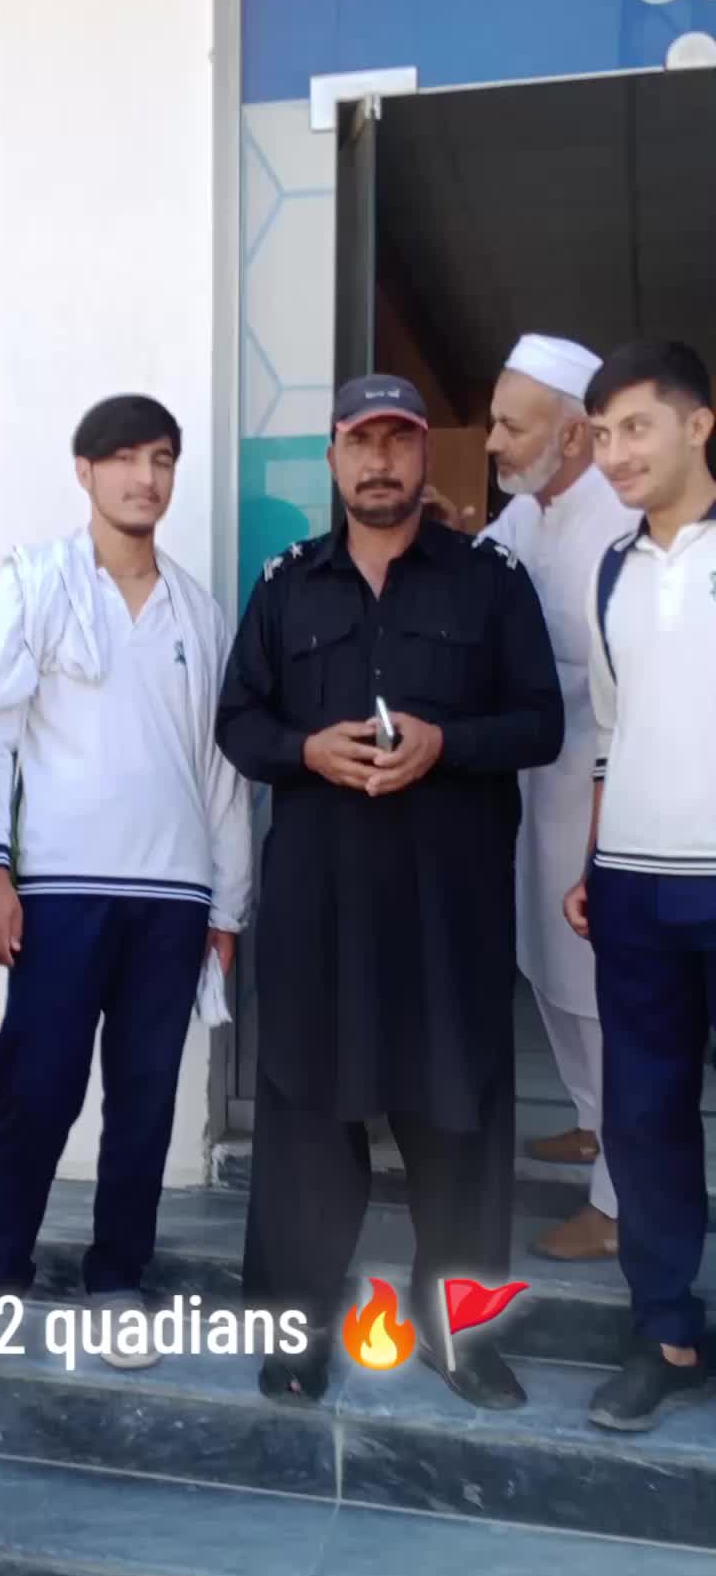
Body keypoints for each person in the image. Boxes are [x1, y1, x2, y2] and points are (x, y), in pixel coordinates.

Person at [217, 374, 564, 1411]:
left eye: (398, 441)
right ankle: (294, 1333)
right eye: (360, 442)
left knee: (462, 1128)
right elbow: (239, 722)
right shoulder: (287, 588)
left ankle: (462, 1339)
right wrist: (305, 750)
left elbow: (540, 723)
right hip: (321, 910)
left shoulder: (490, 581)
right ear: (333, 458)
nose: (379, 461)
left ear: (424, 456)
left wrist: (445, 743)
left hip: (448, 911)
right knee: (303, 1126)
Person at [0, 394, 251, 1375]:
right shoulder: (36, 580)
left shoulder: (198, 611)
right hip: (60, 891)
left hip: (173, 899)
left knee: (146, 1101)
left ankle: (118, 1282)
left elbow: (221, 770)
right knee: (36, 1091)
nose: (144, 478)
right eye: (122, 458)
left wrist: (228, 904)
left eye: (161, 459)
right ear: (84, 471)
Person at [565, 339, 716, 1431]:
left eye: (635, 428)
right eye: (602, 433)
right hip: (633, 888)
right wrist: (592, 860)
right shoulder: (609, 571)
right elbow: (610, 737)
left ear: (697, 425)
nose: (615, 453)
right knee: (646, 1117)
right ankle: (666, 1331)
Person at [481, 335, 639, 1262]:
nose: (493, 441)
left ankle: (619, 1204)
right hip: (539, 791)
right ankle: (589, 1124)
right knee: (547, 973)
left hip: (604, 799)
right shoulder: (529, 512)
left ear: (573, 437)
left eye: (512, 426)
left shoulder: (620, 523)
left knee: (605, 1000)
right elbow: (483, 569)